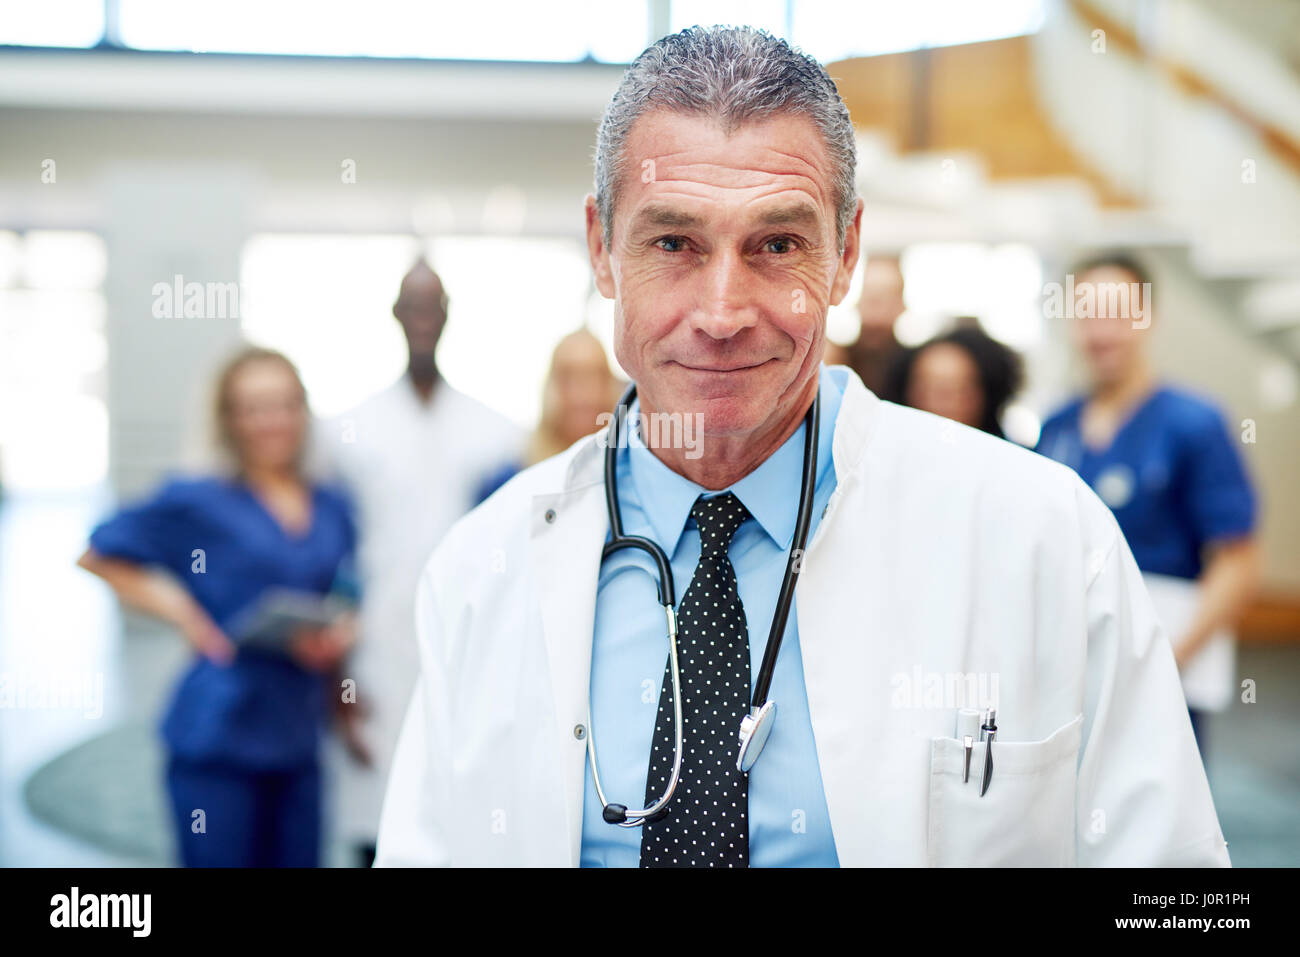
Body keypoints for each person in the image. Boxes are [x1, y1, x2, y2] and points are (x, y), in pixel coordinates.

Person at [375, 26, 1227, 867]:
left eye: (776, 245)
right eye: (673, 242)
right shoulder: (482, 570)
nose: (721, 313)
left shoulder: (1041, 536)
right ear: (602, 248)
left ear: (845, 252)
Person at [78, 347, 358, 867]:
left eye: (284, 404)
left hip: (298, 730)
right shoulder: (199, 499)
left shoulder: (331, 500)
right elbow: (99, 553)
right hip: (221, 728)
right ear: (228, 420)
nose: (272, 421)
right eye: (254, 408)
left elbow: (343, 587)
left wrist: (339, 632)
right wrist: (187, 615)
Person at [316, 258, 523, 867]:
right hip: (374, 655)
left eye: (435, 305)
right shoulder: (349, 433)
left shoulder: (495, 433)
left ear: (450, 315)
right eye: (413, 305)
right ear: (396, 315)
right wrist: (340, 689)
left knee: (458, 824)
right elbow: (336, 564)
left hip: (468, 650)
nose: (424, 318)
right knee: (375, 822)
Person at [1036, 253, 1260, 753]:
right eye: (1088, 314)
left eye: (1118, 313)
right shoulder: (1057, 428)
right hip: (1072, 674)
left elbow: (1238, 561)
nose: (1102, 331)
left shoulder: (1194, 424)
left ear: (1148, 319)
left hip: (1166, 670)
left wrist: (1166, 662)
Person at [473, 328, 624, 503]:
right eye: (569, 377)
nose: (583, 394)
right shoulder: (507, 481)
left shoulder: (629, 476)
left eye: (595, 376)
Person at [888, 323, 1024, 439]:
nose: (942, 403)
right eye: (929, 389)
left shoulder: (1008, 461)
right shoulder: (887, 457)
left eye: (957, 390)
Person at [842, 255, 906, 398]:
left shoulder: (915, 368)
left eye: (886, 299)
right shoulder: (837, 360)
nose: (877, 310)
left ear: (901, 306)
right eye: (871, 299)